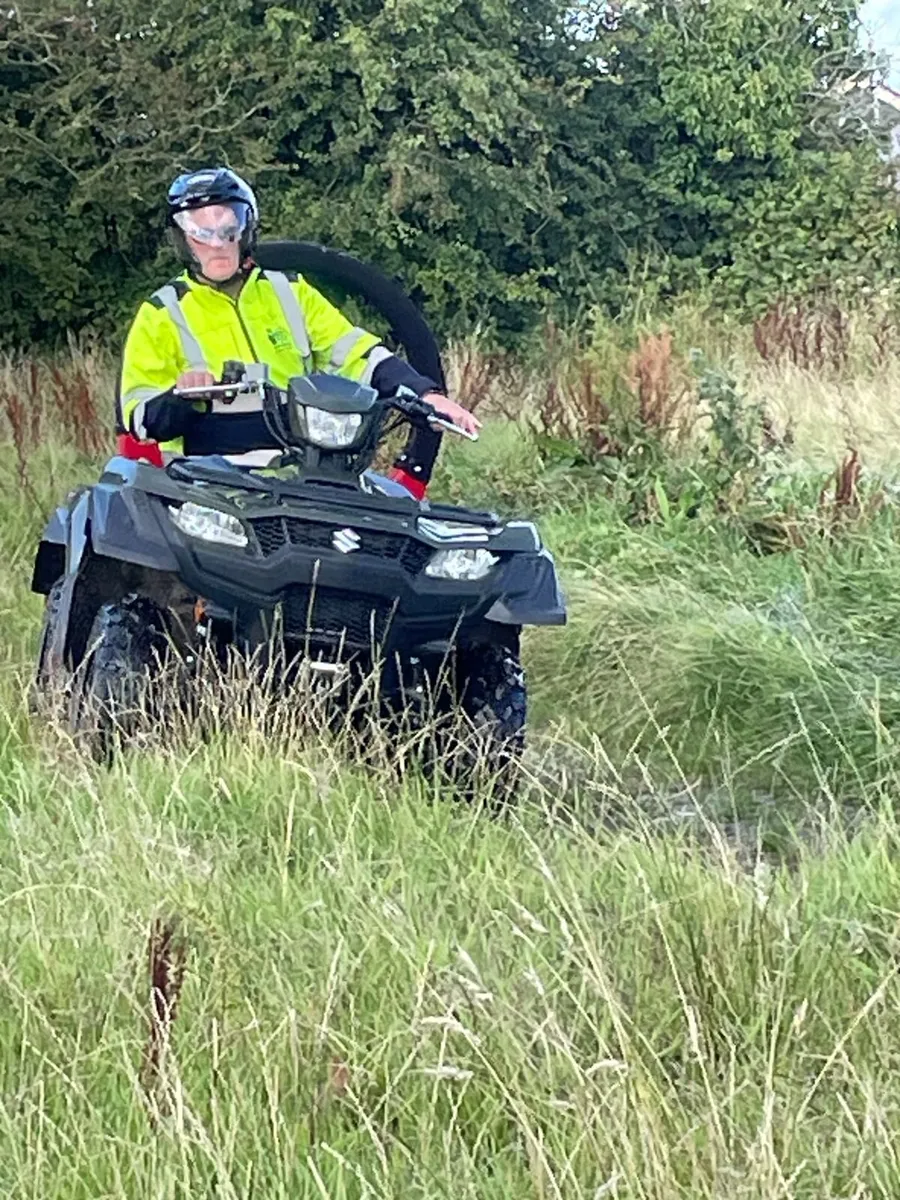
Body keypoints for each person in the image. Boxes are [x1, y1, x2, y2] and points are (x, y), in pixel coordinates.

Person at [117, 167, 479, 497]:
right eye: (201, 231)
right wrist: (182, 396)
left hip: (305, 474)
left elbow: (356, 352)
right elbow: (137, 416)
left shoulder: (290, 290)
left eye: (228, 229)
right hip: (207, 484)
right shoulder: (162, 312)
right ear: (183, 238)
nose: (216, 242)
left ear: (246, 229)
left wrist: (426, 394)